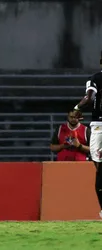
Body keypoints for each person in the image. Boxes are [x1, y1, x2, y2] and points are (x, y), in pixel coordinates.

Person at [73, 52, 102, 218]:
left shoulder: (95, 79)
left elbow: (89, 98)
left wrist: (77, 108)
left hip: (99, 126)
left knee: (99, 167)